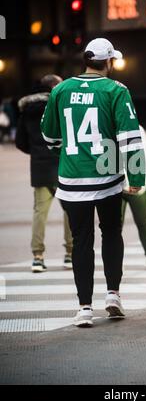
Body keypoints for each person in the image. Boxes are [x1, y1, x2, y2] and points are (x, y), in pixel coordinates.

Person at [41, 38, 145, 328]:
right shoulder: (116, 90)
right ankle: (113, 294)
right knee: (111, 233)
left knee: (81, 242)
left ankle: (84, 308)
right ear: (109, 62)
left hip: (71, 180)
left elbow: (49, 136)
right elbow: (130, 139)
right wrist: (136, 177)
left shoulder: (60, 89)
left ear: (86, 60)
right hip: (107, 179)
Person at [16, 75, 73, 272]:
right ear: (54, 87)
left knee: (40, 213)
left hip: (39, 168)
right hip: (61, 166)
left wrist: (37, 152)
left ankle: (37, 257)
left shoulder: (26, 111)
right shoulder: (58, 107)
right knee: (69, 211)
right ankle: (69, 254)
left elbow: (20, 142)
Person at [121, 125, 146, 269]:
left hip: (133, 184)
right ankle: (116, 261)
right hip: (119, 185)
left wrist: (142, 181)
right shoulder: (108, 126)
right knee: (115, 227)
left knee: (142, 222)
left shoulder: (137, 128)